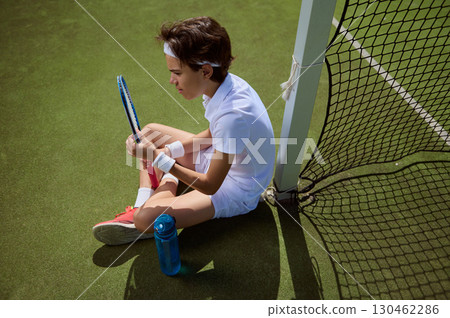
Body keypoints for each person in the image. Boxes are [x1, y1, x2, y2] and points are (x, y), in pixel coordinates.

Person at [93, 16, 275, 245]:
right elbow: (212, 135)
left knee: (145, 219)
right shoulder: (224, 85)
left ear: (206, 71)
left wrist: (163, 162)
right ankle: (143, 203)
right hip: (218, 159)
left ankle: (142, 212)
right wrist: (170, 151)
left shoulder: (233, 115)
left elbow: (210, 184)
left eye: (178, 73)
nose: (172, 80)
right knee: (149, 133)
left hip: (234, 188)